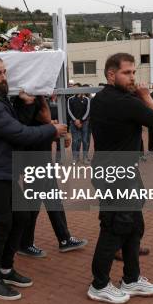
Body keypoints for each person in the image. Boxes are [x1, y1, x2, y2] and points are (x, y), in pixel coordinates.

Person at [0, 55, 65, 300]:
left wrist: (25, 104)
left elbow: (13, 123)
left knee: (20, 216)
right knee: (1, 226)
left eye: (4, 72)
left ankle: (5, 268)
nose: (3, 77)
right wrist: (52, 130)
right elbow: (18, 133)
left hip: (1, 171)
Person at [87, 53, 153, 304]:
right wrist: (146, 96)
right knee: (115, 227)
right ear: (111, 75)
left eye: (133, 72)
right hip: (114, 175)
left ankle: (131, 278)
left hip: (124, 171)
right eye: (126, 73)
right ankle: (99, 285)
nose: (133, 77)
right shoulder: (126, 102)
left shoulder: (102, 98)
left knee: (133, 225)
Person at [14, 94, 88, 258]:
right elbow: (44, 119)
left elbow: (46, 123)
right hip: (32, 159)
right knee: (32, 203)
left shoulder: (37, 97)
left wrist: (58, 131)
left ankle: (64, 239)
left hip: (43, 158)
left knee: (54, 200)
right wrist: (54, 127)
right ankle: (24, 244)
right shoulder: (26, 101)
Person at [67, 89, 91, 163]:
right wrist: (75, 120)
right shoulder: (70, 99)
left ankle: (85, 157)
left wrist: (81, 120)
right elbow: (69, 110)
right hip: (73, 123)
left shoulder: (87, 99)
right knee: (75, 140)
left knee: (85, 140)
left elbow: (88, 110)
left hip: (84, 122)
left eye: (77, 88)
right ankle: (75, 158)